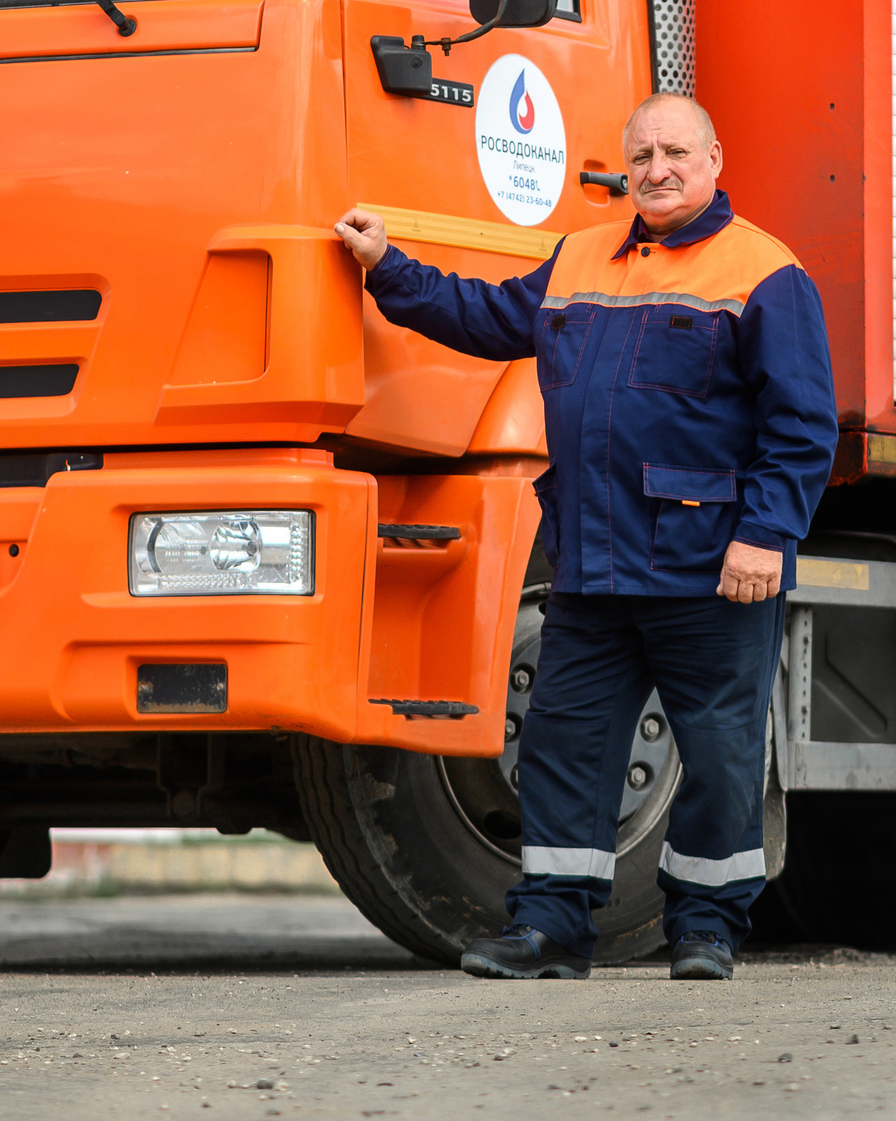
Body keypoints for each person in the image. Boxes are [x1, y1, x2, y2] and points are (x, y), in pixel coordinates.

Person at [334, 92, 836, 981]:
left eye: (676, 152)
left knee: (720, 759)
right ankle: (553, 928)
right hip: (592, 565)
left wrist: (765, 535)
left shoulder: (764, 271)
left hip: (708, 568)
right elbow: (485, 318)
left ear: (716, 161)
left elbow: (802, 425)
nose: (657, 169)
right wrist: (387, 268)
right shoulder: (579, 257)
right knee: (564, 749)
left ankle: (707, 929)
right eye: (641, 155)